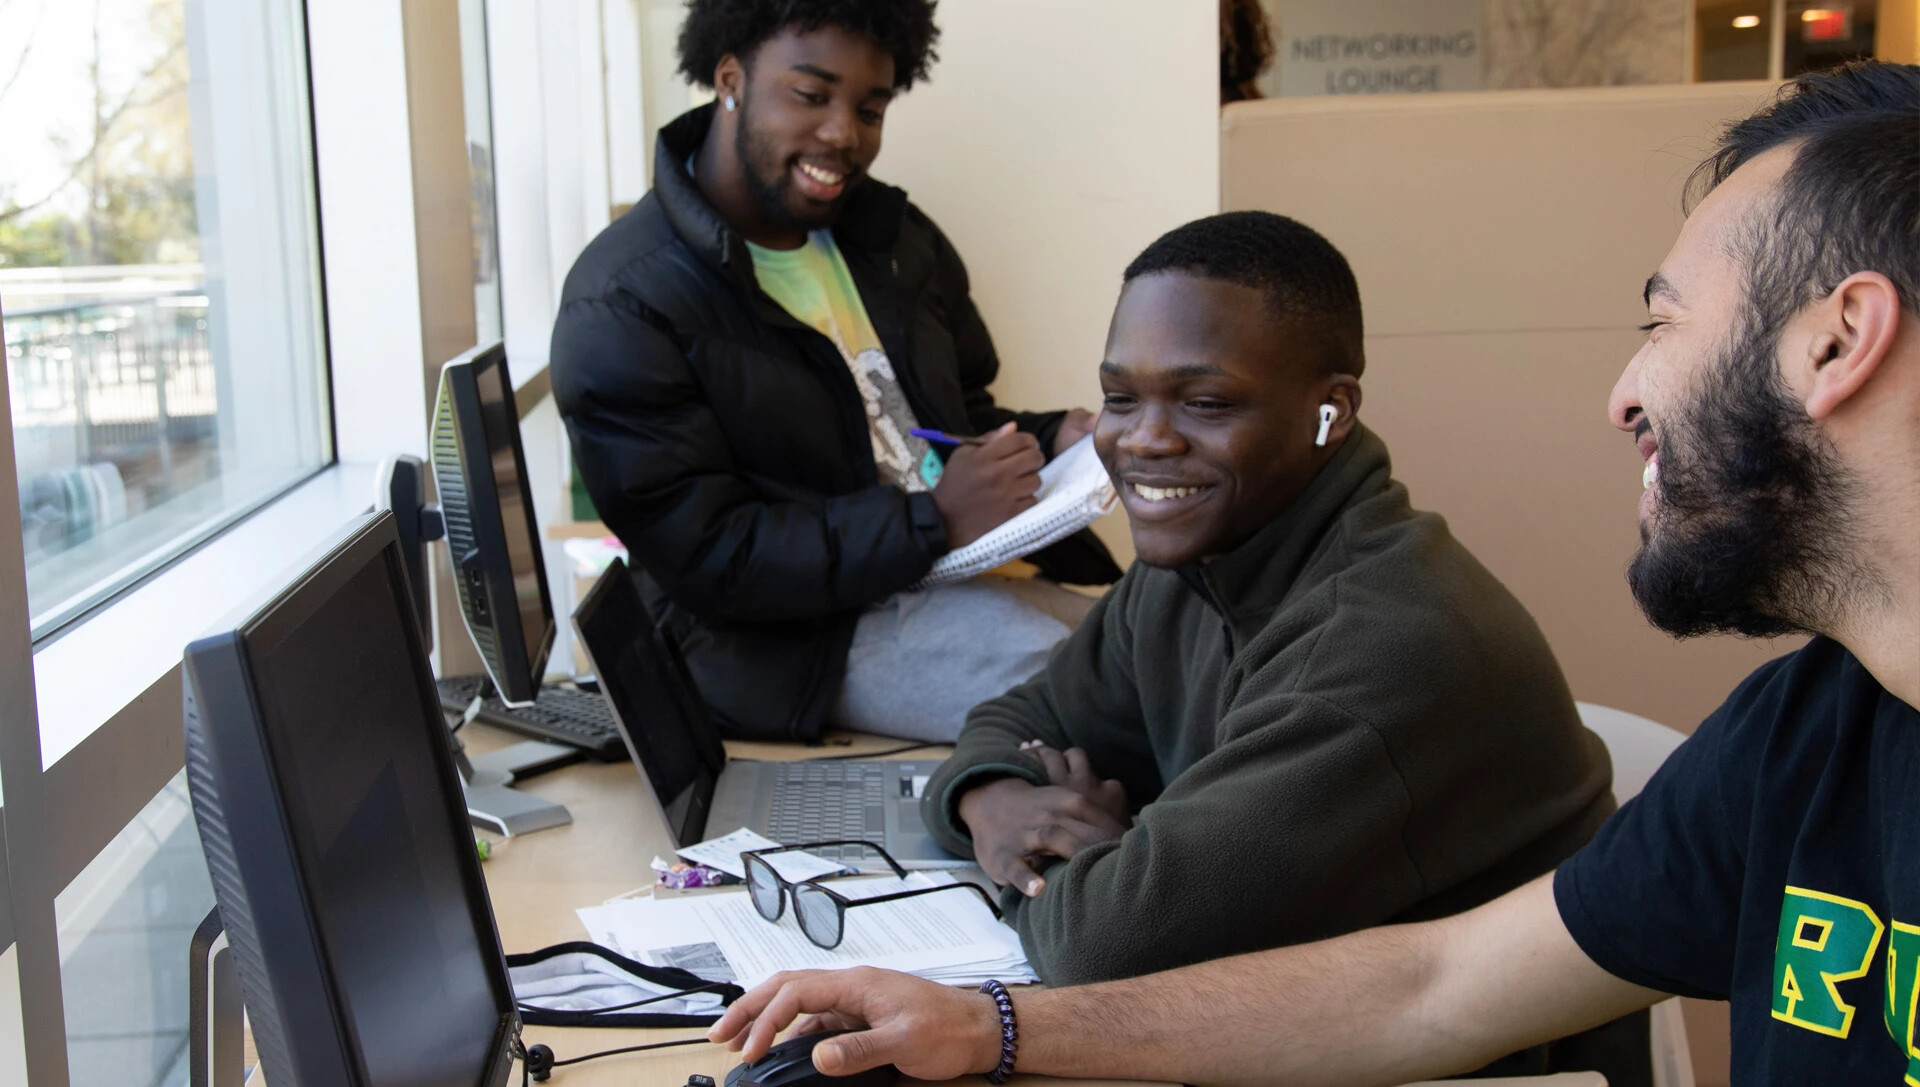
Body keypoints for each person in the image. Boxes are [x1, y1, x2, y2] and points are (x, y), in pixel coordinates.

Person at [707, 61, 1920, 1086]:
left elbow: (1121, 935)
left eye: (1666, 326)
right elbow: (1435, 983)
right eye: (1123, 397)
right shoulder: (1808, 730)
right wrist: (991, 1014)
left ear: (1836, 344)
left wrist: (1103, 880)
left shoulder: (1391, 639)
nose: (1623, 396)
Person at [928, 210, 1634, 1076]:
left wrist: (1088, 866)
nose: (1143, 438)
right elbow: (1023, 713)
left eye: (1207, 402)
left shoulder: (1383, 646)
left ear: (1329, 411)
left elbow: (1101, 948)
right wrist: (994, 802)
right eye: (1120, 396)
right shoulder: (1201, 555)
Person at [550, 0, 1118, 744]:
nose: (844, 134)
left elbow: (946, 422)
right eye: (811, 95)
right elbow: (711, 556)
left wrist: (1055, 440)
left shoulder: (895, 240)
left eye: (870, 108)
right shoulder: (624, 299)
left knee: (1174, 639)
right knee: (1122, 699)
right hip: (789, 645)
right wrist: (935, 518)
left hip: (947, 571)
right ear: (730, 79)